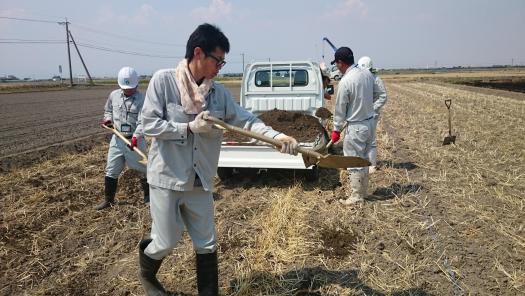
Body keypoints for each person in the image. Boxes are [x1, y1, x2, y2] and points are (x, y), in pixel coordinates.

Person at [138, 23, 299, 296]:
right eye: (218, 60)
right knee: (165, 242)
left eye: (223, 62)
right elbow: (148, 125)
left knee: (207, 243)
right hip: (167, 177)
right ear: (198, 53)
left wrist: (278, 137)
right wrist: (187, 128)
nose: (220, 67)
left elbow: (245, 121)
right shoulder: (163, 82)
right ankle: (146, 273)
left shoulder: (219, 94)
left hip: (200, 179)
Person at [96, 66, 149, 210]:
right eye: (125, 88)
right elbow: (108, 111)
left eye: (130, 88)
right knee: (111, 170)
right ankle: (109, 200)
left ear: (137, 85)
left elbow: (143, 121)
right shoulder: (113, 95)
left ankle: (148, 199)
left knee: (144, 170)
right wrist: (108, 120)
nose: (128, 90)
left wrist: (136, 137)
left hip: (135, 140)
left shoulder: (142, 99)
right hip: (117, 140)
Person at [330, 47, 378, 205]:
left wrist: (336, 129)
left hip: (356, 127)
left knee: (353, 162)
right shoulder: (367, 74)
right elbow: (376, 94)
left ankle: (357, 196)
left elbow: (340, 108)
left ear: (341, 63)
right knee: (363, 160)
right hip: (370, 123)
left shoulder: (346, 81)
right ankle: (363, 192)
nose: (336, 67)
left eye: (336, 63)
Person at [357, 56, 387, 173]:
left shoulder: (376, 79)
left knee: (371, 139)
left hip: (372, 114)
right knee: (361, 138)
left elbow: (383, 96)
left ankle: (372, 165)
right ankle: (362, 162)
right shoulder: (361, 79)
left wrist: (373, 108)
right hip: (361, 113)